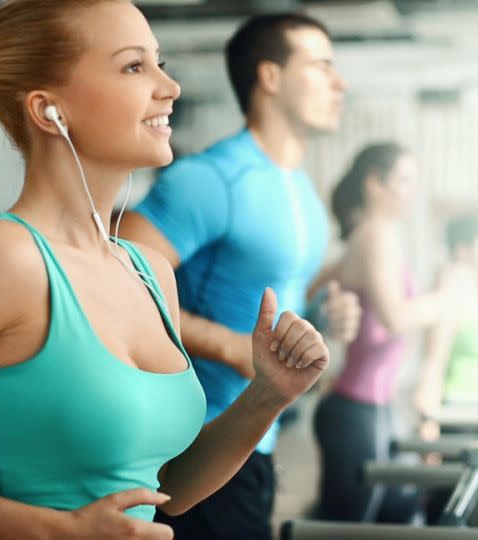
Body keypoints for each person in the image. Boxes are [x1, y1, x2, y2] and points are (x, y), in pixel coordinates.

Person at [0, 2, 330, 539]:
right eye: (135, 66)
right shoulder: (4, 259)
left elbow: (168, 488)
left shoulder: (150, 270)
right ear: (48, 110)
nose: (169, 87)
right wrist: (58, 531)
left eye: (160, 62)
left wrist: (269, 394)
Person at [118, 13, 360, 540]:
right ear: (270, 77)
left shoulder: (302, 192)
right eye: (321, 67)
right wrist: (228, 345)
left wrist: (320, 318)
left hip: (260, 441)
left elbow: (267, 302)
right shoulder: (210, 179)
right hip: (196, 449)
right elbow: (110, 284)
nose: (338, 83)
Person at [311, 142, 449, 523]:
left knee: (394, 516)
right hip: (357, 409)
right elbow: (395, 318)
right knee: (347, 530)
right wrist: (446, 299)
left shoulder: (369, 237)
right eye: (404, 180)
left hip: (373, 407)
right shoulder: (376, 235)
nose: (412, 191)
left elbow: (318, 287)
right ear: (375, 183)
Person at [416, 214, 478, 415]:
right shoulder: (451, 285)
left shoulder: (476, 287)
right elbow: (434, 357)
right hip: (462, 412)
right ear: (462, 251)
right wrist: (427, 416)